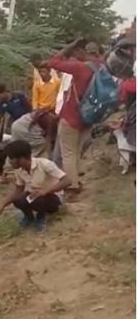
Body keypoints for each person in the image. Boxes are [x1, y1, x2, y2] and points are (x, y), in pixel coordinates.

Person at [46, 38, 101, 200]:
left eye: (76, 52)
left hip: (72, 116)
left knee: (68, 152)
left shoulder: (80, 67)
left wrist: (68, 47)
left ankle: (72, 186)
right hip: (90, 116)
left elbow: (53, 62)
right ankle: (76, 179)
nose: (75, 55)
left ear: (82, 51)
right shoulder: (102, 66)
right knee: (76, 150)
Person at [0, 140, 71, 232]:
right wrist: (2, 205)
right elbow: (18, 190)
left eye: (11, 159)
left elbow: (67, 180)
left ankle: (41, 217)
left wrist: (46, 191)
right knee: (18, 199)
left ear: (22, 158)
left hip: (52, 197)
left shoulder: (44, 164)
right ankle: (29, 217)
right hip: (35, 196)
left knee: (39, 198)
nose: (10, 162)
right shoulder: (19, 170)